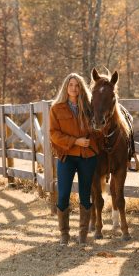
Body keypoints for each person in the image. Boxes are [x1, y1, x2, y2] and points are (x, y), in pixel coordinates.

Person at [49, 73, 99, 245]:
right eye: (71, 85)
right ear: (66, 87)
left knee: (86, 195)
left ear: (81, 88)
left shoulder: (89, 107)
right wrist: (75, 141)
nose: (74, 88)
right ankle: (64, 234)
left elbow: (98, 129)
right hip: (66, 156)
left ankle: (83, 235)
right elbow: (54, 134)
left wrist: (91, 140)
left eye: (77, 85)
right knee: (63, 195)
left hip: (87, 156)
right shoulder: (56, 108)